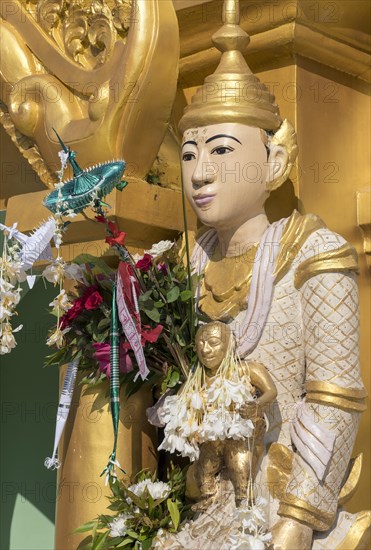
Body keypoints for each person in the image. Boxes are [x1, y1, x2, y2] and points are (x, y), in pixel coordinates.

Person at [178, 1, 368, 549]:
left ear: (273, 165)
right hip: (205, 498)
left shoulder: (315, 254)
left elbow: (335, 397)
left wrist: (298, 517)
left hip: (287, 497)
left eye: (221, 149)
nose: (201, 172)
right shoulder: (184, 270)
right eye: (189, 154)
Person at [193, 321, 277, 511]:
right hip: (212, 436)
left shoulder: (246, 369)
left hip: (241, 433)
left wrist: (256, 406)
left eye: (213, 343)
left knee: (238, 463)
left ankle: (243, 500)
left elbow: (271, 391)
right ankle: (208, 496)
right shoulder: (197, 376)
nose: (205, 349)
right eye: (200, 343)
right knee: (203, 469)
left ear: (229, 344)